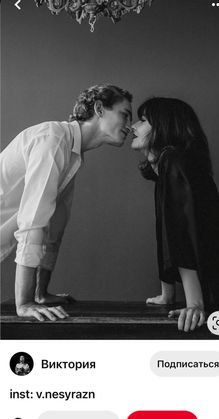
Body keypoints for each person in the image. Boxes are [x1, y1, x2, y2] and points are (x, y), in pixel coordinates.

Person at [1, 84, 132, 321]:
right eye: (124, 114)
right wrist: (25, 303)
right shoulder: (53, 140)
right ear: (99, 108)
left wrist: (40, 294)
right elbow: (32, 222)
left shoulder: (73, 154)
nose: (130, 125)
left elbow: (54, 228)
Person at [131, 97, 219, 332]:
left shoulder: (173, 160)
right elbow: (166, 230)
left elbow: (183, 233)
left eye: (143, 120)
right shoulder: (168, 162)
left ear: (164, 127)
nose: (133, 126)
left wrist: (195, 304)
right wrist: (167, 294)